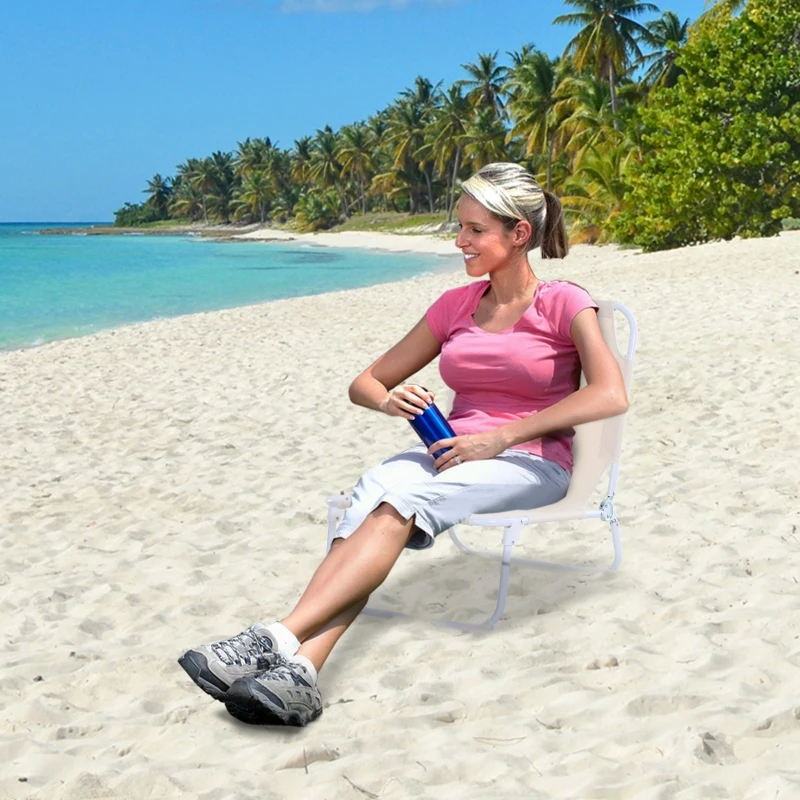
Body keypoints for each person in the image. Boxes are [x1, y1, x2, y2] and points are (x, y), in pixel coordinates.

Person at [178, 162, 628, 727]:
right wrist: (390, 401)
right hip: (450, 453)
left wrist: (500, 437)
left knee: (401, 502)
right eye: (460, 227)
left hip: (530, 462)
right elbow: (365, 382)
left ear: (519, 234)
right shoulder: (455, 306)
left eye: (475, 230)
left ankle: (277, 637)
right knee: (372, 493)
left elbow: (611, 394)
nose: (460, 241)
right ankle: (304, 674)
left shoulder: (563, 301)